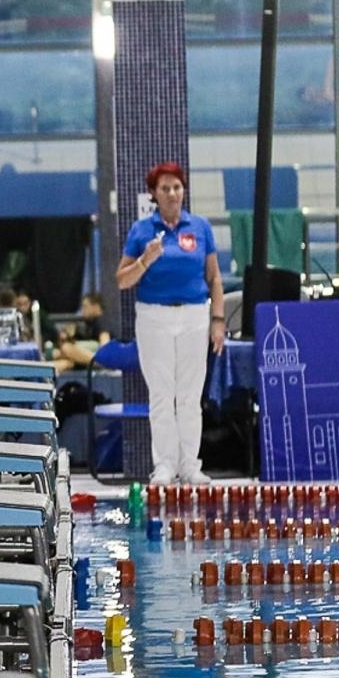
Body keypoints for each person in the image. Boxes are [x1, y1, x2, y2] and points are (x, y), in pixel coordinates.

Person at [116, 161, 225, 485]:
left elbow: (214, 277)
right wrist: (146, 259)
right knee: (162, 395)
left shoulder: (200, 227)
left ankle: (190, 465)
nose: (172, 193)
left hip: (194, 315)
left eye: (177, 187)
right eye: (165, 188)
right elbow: (122, 280)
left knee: (190, 396)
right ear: (154, 194)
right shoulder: (141, 231)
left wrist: (218, 320)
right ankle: (164, 464)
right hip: (154, 316)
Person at [50, 291, 110, 371]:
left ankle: (100, 362)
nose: (83, 310)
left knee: (66, 348)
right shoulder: (86, 324)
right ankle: (38, 373)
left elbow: (105, 342)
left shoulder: (102, 321)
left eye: (85, 306)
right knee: (65, 362)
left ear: (95, 306)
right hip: (82, 359)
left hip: (97, 355)